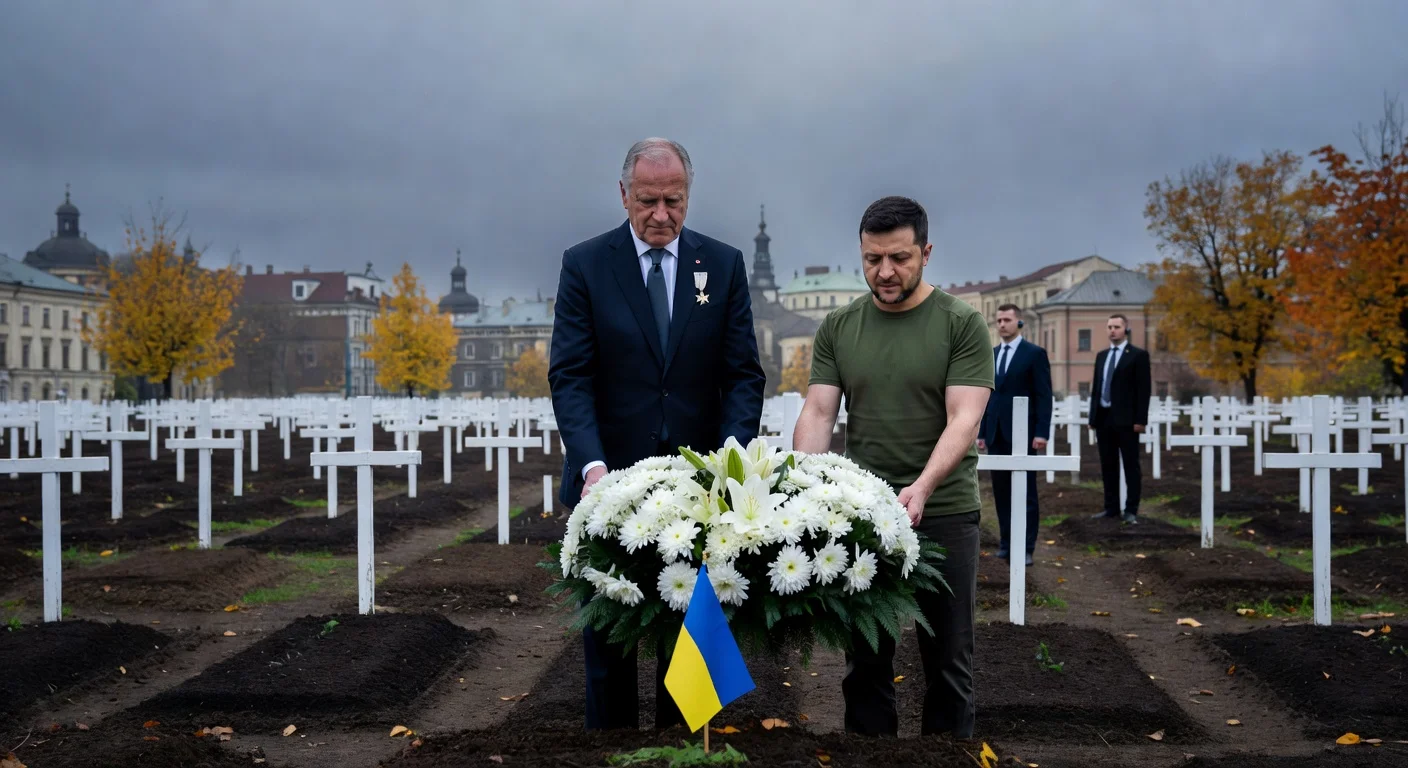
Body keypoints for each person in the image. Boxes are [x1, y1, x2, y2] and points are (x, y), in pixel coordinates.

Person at [548, 137, 766, 730]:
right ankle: (611, 749)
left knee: (689, 654)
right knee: (609, 651)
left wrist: (732, 455)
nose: (661, 214)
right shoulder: (586, 265)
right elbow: (571, 376)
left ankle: (684, 749)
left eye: (673, 200)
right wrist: (591, 465)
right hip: (608, 487)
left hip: (696, 493)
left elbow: (742, 374)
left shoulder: (720, 265)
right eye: (648, 201)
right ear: (624, 195)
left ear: (689, 197)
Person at [792, 195, 992, 738]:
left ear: (926, 253)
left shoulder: (961, 324)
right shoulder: (839, 326)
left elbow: (964, 418)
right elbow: (818, 410)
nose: (884, 272)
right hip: (863, 517)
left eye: (899, 258)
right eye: (872, 259)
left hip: (945, 512)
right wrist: (802, 491)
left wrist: (923, 488)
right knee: (865, 663)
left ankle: (949, 755)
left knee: (948, 661)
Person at [978, 303, 1052, 566]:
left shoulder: (1034, 354)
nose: (1001, 324)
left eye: (1007, 320)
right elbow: (988, 396)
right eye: (998, 320)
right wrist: (983, 431)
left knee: (1026, 493)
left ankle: (1026, 546)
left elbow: (1044, 396)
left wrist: (1042, 431)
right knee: (1000, 492)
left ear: (1019, 323)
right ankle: (1006, 543)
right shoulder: (992, 353)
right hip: (997, 433)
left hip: (1024, 433)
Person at [1087, 313, 1151, 524]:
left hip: (1127, 420)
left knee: (1130, 465)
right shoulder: (1102, 356)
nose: (1112, 330)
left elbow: (1143, 390)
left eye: (1116, 326)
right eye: (1109, 327)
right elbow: (1097, 387)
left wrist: (1140, 420)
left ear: (1126, 330)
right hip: (1104, 418)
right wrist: (1093, 416)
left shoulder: (1137, 355)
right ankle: (1111, 507)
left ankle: (1131, 509)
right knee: (1108, 464)